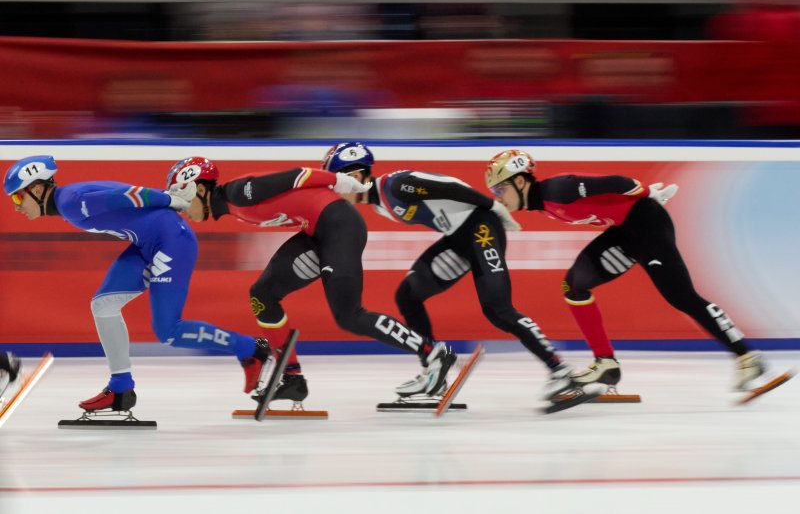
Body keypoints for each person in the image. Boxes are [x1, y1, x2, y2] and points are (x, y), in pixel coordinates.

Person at [165, 156, 457, 403]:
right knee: (262, 295)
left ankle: (433, 353)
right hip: (317, 233)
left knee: (349, 315)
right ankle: (291, 377)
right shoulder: (233, 205)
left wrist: (340, 182)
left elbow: (298, 175)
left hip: (338, 226)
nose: (180, 210)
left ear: (198, 189)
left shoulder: (240, 192)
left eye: (180, 199)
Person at [3, 155, 276, 415]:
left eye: (18, 196)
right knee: (103, 305)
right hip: (147, 243)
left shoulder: (71, 202)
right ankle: (121, 389)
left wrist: (171, 199)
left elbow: (127, 195)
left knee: (168, 331)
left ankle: (251, 349)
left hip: (171, 241)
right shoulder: (69, 200)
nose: (16, 205)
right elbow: (125, 194)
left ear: (38, 189)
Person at [484, 149, 772, 392]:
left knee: (681, 297)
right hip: (624, 231)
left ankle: (747, 356)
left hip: (647, 224)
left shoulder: (557, 190)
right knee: (573, 286)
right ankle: (606, 364)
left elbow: (618, 182)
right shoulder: (543, 204)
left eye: (500, 189)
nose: (498, 197)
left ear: (520, 181)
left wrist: (648, 194)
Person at [321, 142, 590, 402]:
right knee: (408, 295)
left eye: (335, 182)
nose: (334, 190)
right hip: (459, 239)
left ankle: (560, 371)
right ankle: (433, 369)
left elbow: (449, 186)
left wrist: (492, 206)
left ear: (355, 175)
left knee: (498, 309)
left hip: (481, 229)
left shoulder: (395, 185)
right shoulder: (380, 203)